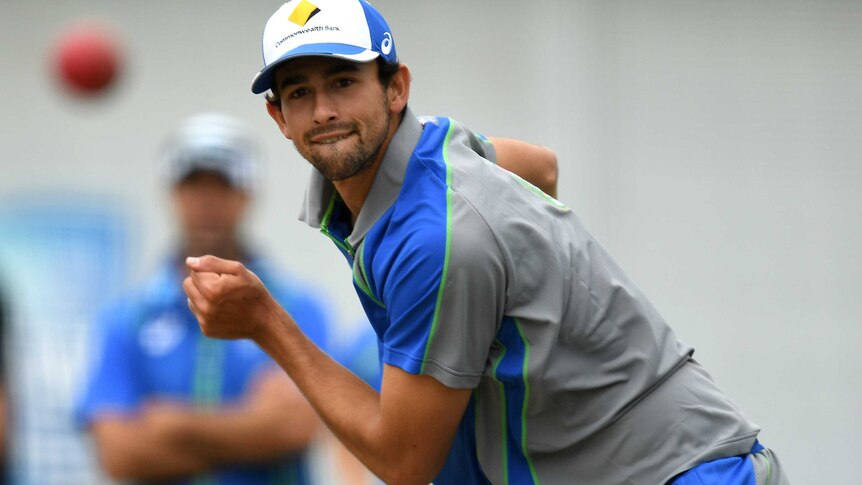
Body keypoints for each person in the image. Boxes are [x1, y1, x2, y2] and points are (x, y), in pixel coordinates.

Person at [183, 1, 789, 484]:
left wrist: (266, 323)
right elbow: (542, 166)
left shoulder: (435, 236)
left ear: (396, 89)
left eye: (343, 81)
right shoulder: (434, 149)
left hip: (689, 472)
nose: (322, 111)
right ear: (278, 118)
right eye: (299, 93)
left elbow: (403, 462)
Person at [77, 112, 331, 485]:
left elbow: (295, 427)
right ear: (173, 194)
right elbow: (118, 454)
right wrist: (251, 428)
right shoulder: (126, 317)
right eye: (194, 185)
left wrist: (171, 424)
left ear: (247, 195)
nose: (207, 201)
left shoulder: (298, 307)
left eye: (222, 186)